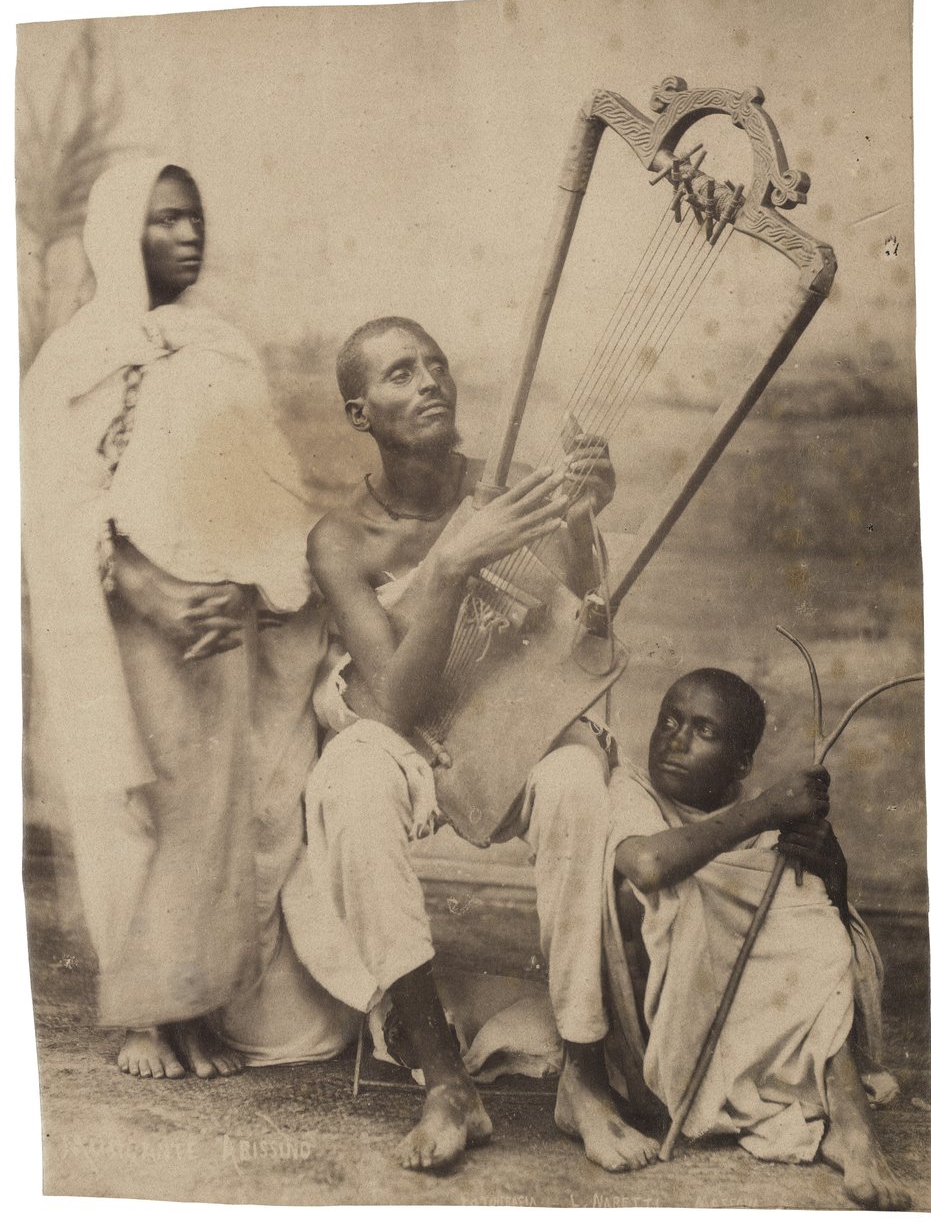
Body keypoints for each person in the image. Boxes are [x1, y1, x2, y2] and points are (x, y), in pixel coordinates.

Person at [293, 315, 659, 1173]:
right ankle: (446, 1082)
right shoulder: (341, 539)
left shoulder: (507, 490)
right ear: (359, 415)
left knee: (577, 779)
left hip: (504, 725)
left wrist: (577, 517)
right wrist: (452, 568)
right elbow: (393, 702)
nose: (426, 382)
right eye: (396, 375)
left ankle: (583, 1074)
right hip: (403, 736)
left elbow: (586, 622)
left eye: (434, 364)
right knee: (345, 783)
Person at [22, 159, 357, 1081]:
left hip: (220, 620)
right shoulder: (77, 355)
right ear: (115, 232)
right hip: (127, 617)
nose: (187, 235)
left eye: (195, 218)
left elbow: (262, 493)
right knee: (136, 802)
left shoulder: (219, 348)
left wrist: (247, 589)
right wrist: (147, 589)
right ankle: (146, 1018)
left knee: (215, 807)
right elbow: (50, 504)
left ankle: (196, 1002)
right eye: (164, 220)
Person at [611, 668, 910, 1210]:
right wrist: (768, 810)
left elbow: (831, 925)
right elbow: (649, 865)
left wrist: (827, 859)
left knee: (810, 917)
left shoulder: (765, 824)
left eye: (704, 731)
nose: (676, 740)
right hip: (656, 1022)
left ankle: (853, 1129)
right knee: (663, 896)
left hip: (746, 1017)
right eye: (670, 721)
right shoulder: (631, 789)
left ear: (742, 764)